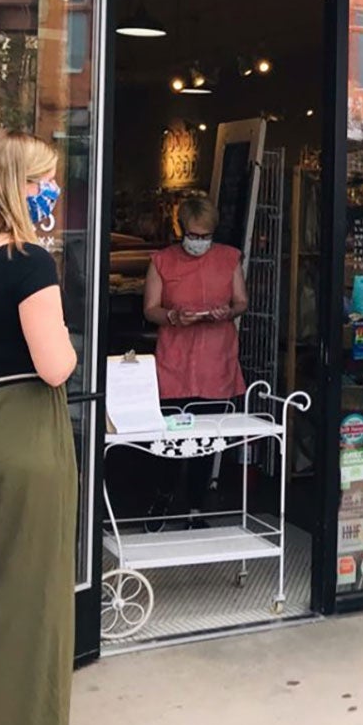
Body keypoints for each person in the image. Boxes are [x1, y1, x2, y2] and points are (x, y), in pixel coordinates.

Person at [0, 131, 79, 725]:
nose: (51, 193)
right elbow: (55, 365)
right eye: (43, 181)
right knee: (25, 602)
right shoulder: (30, 263)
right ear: (17, 185)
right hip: (21, 434)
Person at [142, 195, 248, 519]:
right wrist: (173, 317)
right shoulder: (162, 260)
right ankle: (163, 497)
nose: (199, 241)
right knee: (168, 439)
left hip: (215, 361)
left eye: (205, 236)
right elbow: (150, 309)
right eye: (193, 234)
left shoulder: (229, 258)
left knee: (207, 439)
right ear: (180, 229)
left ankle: (197, 505)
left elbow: (242, 302)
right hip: (174, 362)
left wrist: (227, 312)